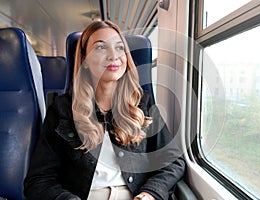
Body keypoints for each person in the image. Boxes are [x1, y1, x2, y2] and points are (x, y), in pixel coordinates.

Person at [23, 20, 185, 200]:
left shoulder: (143, 105)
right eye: (100, 48)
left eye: (119, 48)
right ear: (84, 60)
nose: (113, 56)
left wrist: (150, 194)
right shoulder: (62, 109)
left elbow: (173, 161)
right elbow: (38, 180)